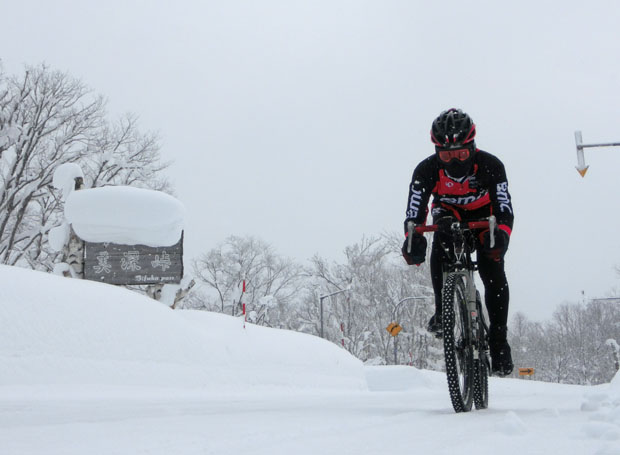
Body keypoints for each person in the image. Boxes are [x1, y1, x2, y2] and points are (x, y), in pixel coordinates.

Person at [401, 108, 514, 376]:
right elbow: (414, 213)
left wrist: (502, 237)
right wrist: (412, 239)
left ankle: (499, 342)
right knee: (441, 237)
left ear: (472, 147)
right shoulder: (426, 169)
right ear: (437, 151)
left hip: (484, 218)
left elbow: (504, 209)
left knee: (493, 270)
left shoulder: (491, 165)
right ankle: (443, 313)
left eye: (461, 155)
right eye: (447, 156)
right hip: (447, 215)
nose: (454, 162)